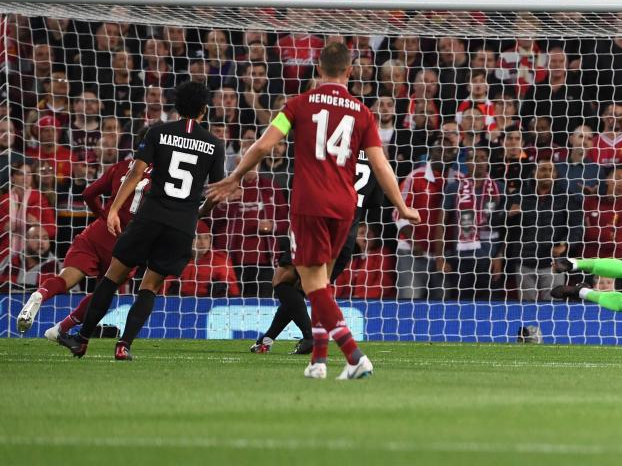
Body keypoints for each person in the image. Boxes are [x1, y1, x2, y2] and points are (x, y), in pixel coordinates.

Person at [208, 42, 420, 380]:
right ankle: (318, 362)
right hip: (345, 208)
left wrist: (234, 177)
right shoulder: (362, 112)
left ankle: (354, 356)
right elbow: (380, 165)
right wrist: (402, 205)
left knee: (312, 285)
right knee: (322, 284)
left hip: (310, 204)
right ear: (350, 72)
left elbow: (264, 144)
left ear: (318, 69)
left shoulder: (297, 104)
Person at [57, 82, 225, 361]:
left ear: (177, 107)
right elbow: (217, 192)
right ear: (204, 110)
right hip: (182, 225)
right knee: (151, 285)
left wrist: (113, 210)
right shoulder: (215, 145)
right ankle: (124, 345)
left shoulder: (158, 132)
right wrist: (201, 211)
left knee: (113, 276)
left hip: (151, 216)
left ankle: (82, 338)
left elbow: (135, 173)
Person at [17, 128, 153, 338]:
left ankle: (39, 294)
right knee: (103, 292)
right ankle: (61, 328)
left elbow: (88, 193)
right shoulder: (163, 177)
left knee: (65, 278)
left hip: (98, 232)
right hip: (126, 243)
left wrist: (105, 215)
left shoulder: (120, 167)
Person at [249, 154, 380, 354]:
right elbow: (376, 202)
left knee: (281, 280)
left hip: (318, 229)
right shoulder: (374, 160)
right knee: (300, 290)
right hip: (346, 240)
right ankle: (266, 340)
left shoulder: (336, 151)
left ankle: (311, 337)